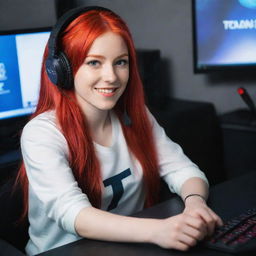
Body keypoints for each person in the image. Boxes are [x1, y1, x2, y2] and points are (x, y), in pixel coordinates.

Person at [16, 6, 223, 255]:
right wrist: (159, 231)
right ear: (62, 70)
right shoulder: (41, 133)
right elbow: (74, 215)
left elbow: (184, 170)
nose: (111, 76)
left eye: (120, 62)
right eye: (94, 62)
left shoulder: (135, 117)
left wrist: (195, 204)